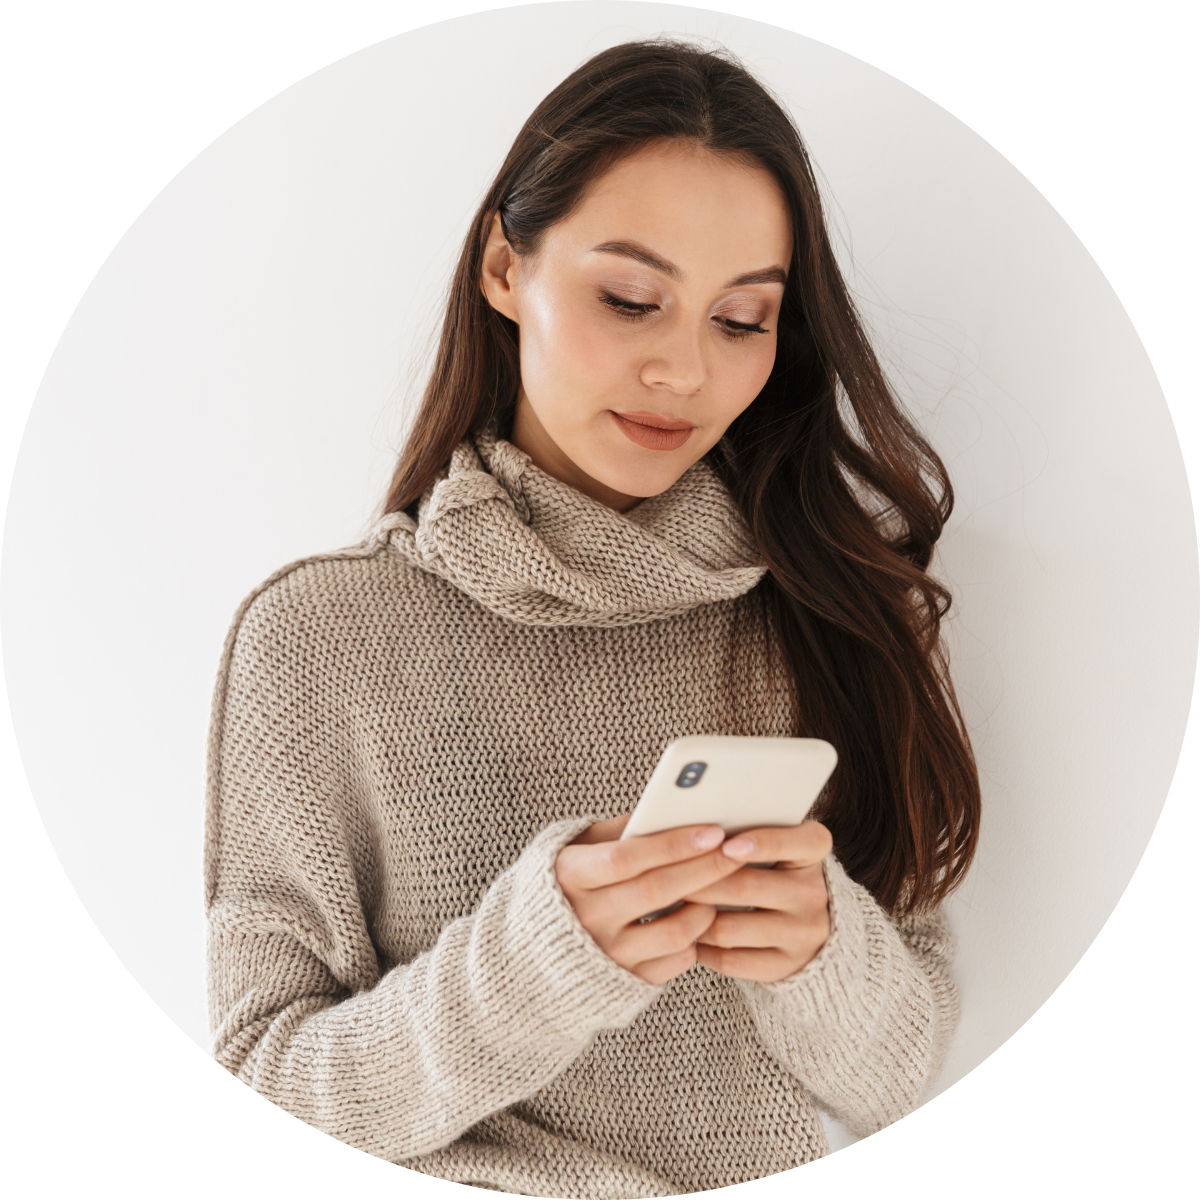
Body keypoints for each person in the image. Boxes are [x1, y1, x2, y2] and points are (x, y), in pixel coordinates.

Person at [205, 39, 980, 1195]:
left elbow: (904, 1074)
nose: (684, 370)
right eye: (631, 299)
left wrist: (819, 956)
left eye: (742, 320)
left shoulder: (839, 610)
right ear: (505, 270)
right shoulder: (319, 633)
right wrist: (530, 966)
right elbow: (265, 1072)